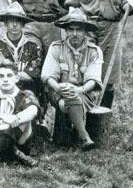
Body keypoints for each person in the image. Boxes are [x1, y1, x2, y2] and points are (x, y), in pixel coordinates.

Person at [65, 0, 132, 109]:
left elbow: (128, 3)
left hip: (111, 28)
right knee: (79, 74)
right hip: (85, 29)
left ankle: (102, 120)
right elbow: (73, 5)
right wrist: (73, 30)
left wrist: (128, 6)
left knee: (108, 79)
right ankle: (80, 113)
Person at [41, 8, 103, 151]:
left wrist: (78, 89)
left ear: (85, 31)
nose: (74, 34)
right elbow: (48, 75)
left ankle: (78, 137)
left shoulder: (94, 51)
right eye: (70, 29)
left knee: (66, 102)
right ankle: (84, 137)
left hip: (84, 93)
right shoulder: (56, 48)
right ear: (66, 31)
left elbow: (93, 80)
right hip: (58, 91)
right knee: (64, 99)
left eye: (79, 30)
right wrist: (57, 87)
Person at [0, 62, 40, 168]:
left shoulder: (25, 94)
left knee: (23, 118)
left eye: (9, 76)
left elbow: (33, 111)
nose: (5, 79)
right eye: (1, 76)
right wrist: (2, 116)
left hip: (19, 140)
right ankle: (18, 154)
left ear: (17, 78)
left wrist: (5, 126)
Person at [0, 2, 42, 95]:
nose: (14, 24)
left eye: (18, 21)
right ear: (5, 23)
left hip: (26, 92)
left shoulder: (33, 47)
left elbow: (32, 75)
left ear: (23, 24)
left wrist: (5, 75)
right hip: (1, 92)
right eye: (11, 21)